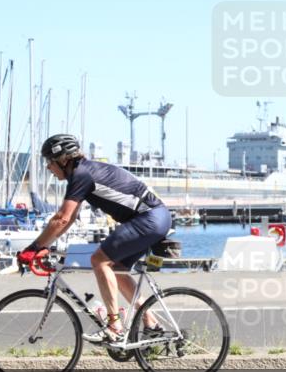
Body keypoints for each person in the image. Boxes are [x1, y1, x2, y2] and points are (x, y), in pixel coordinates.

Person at [17, 134, 172, 342]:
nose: (48, 168)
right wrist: (44, 245)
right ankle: (151, 323)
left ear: (63, 160)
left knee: (99, 260)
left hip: (149, 217)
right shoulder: (84, 172)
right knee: (116, 268)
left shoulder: (81, 175)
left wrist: (33, 247)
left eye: (49, 162)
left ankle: (115, 327)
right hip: (154, 217)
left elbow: (62, 218)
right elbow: (69, 218)